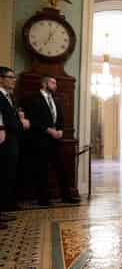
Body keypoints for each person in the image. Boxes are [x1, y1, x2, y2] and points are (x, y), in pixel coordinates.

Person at [26, 76, 80, 206]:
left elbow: (60, 118)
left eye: (55, 83)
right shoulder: (34, 98)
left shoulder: (56, 100)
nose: (55, 85)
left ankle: (66, 196)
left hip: (56, 141)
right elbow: (32, 120)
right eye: (52, 83)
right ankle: (43, 199)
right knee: (42, 170)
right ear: (44, 84)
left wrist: (60, 130)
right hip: (40, 140)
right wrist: (48, 130)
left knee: (62, 168)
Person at [0, 67, 30, 229]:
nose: (13, 80)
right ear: (1, 79)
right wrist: (22, 123)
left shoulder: (10, 96)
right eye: (10, 77)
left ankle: (3, 209)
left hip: (12, 141)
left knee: (6, 176)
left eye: (14, 77)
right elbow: (6, 121)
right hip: (4, 141)